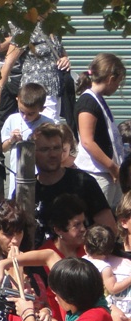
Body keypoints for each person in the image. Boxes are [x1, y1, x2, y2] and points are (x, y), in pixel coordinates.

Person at [32, 122, 116, 246]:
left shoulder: (83, 182)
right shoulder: (27, 189)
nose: (53, 154)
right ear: (32, 153)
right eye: (45, 149)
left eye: (56, 148)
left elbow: (109, 228)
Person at [74, 53, 126, 208]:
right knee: (99, 220)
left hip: (107, 174)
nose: (118, 87)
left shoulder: (98, 100)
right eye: (119, 82)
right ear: (111, 79)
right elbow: (87, 141)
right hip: (97, 175)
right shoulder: (88, 102)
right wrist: (113, 168)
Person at [0, 83, 52, 198]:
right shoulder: (12, 119)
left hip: (39, 175)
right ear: (17, 100)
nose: (25, 117)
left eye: (31, 113)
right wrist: (11, 140)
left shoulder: (48, 124)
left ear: (42, 109)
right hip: (16, 174)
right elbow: (2, 148)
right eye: (22, 111)